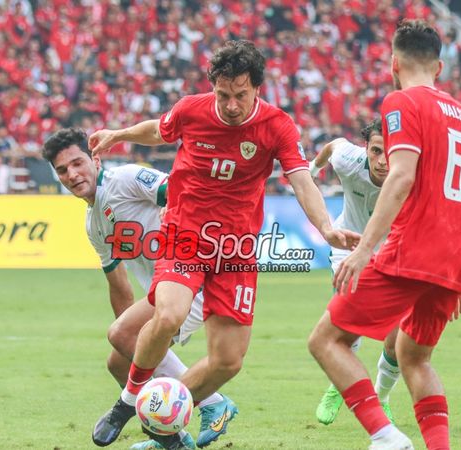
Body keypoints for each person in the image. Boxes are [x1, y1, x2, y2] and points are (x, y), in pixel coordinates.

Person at [87, 40, 358, 449]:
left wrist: (325, 227)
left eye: (241, 95)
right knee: (168, 315)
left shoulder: (277, 126)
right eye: (224, 94)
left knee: (228, 361)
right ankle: (127, 404)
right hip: (185, 234)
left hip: (236, 250)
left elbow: (302, 179)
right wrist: (119, 135)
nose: (231, 105)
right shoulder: (192, 110)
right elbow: (159, 131)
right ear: (213, 87)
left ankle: (164, 425)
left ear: (257, 90)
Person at [308, 21, 461, 450]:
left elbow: (401, 175)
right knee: (415, 358)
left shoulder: (400, 102)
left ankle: (386, 436)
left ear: (393, 63)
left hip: (412, 249)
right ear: (439, 67)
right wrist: (456, 272)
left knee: (326, 341)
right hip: (453, 258)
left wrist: (364, 249)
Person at [41, 129, 233, 450]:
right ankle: (170, 438)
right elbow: (118, 285)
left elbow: (182, 190)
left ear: (95, 158)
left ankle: (212, 401)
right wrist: (133, 339)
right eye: (62, 170)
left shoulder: (126, 179)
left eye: (77, 163)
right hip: (165, 293)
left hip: (198, 277)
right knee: (118, 362)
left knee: (122, 337)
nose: (72, 174)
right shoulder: (93, 224)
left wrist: (172, 208)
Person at [309, 120, 401, 426]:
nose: (382, 161)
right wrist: (313, 169)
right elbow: (333, 145)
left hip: (394, 253)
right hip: (349, 245)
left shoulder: (410, 174)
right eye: (376, 151)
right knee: (350, 319)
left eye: (389, 153)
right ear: (366, 149)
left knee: (398, 340)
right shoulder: (350, 161)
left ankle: (382, 396)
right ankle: (339, 386)